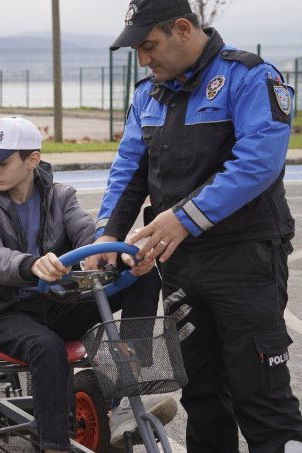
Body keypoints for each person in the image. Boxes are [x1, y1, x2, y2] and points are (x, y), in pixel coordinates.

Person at [89, 1, 302, 451]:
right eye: (137, 51)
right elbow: (129, 167)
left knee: (261, 398)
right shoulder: (148, 93)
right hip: (182, 265)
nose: (144, 60)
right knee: (202, 394)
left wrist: (182, 218)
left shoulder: (250, 77)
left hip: (246, 259)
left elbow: (258, 163)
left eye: (149, 46)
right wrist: (108, 231)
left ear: (182, 28)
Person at [0, 117, 176, 453]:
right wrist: (30, 265)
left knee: (144, 277)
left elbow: (91, 236)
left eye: (2, 161)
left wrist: (124, 259)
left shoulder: (60, 196)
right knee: (47, 347)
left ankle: (129, 386)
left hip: (53, 301)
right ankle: (54, 446)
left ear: (33, 160)